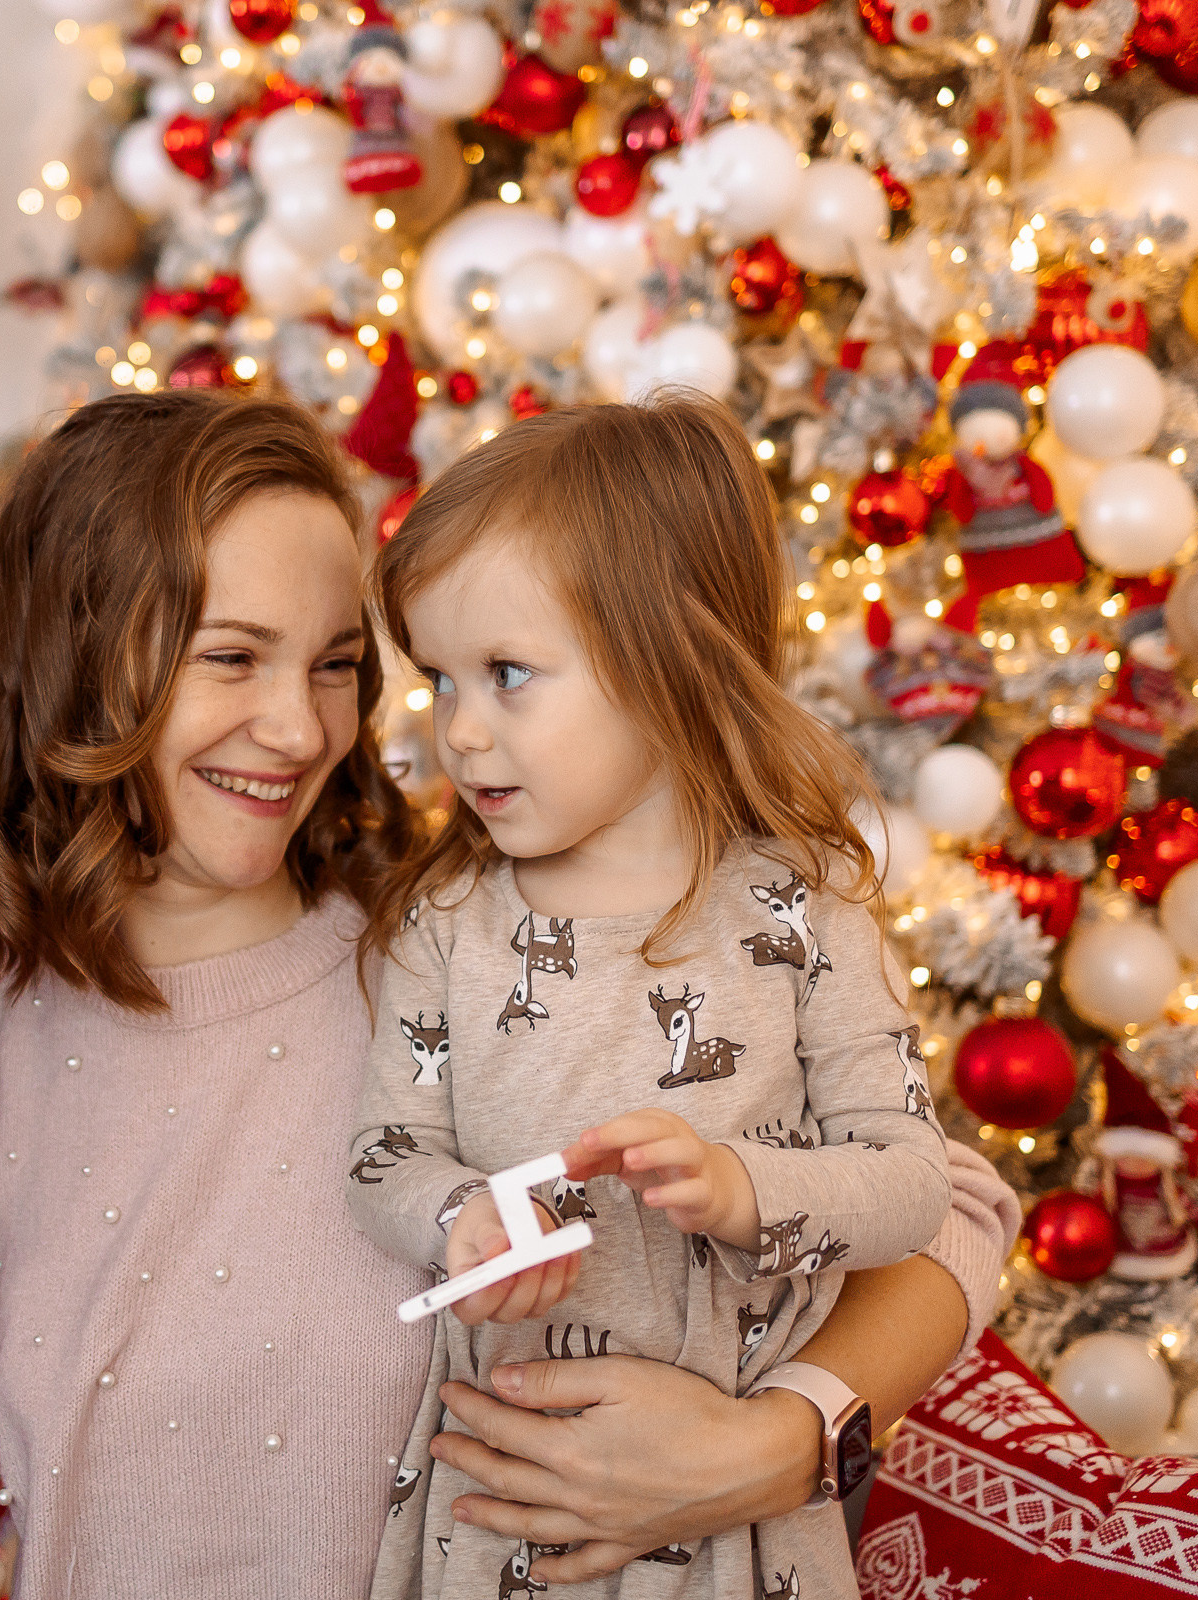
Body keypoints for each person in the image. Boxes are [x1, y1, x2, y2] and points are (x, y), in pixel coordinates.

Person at [0, 390, 1021, 1600]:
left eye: (338, 665)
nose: (297, 726)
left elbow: (949, 1202)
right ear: (71, 656)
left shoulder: (448, 943)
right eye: (230, 655)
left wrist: (783, 1441)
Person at [352, 396, 947, 1600]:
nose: (459, 731)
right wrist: (461, 1217)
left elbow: (913, 1180)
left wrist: (742, 1190)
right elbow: (382, 1154)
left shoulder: (800, 912)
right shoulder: (449, 925)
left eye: (508, 674)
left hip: (736, 1539)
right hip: (497, 1513)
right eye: (440, 679)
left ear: (666, 660)